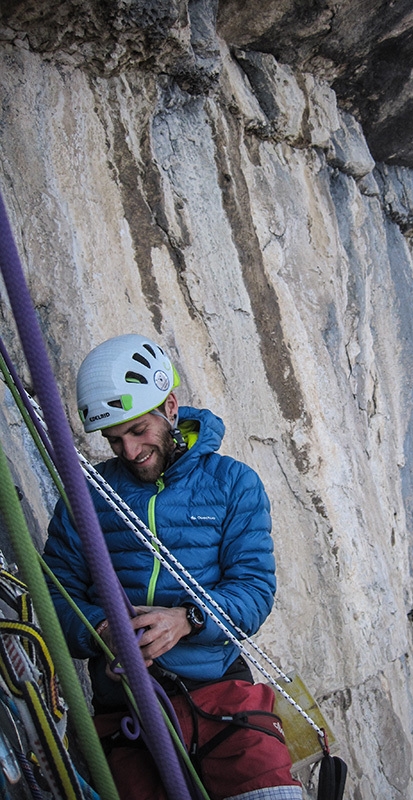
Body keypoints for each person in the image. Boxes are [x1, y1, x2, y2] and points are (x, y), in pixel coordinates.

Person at [43, 333, 302, 800]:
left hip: (220, 695)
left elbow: (254, 590)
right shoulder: (86, 497)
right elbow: (52, 595)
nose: (129, 451)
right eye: (114, 439)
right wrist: (100, 630)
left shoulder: (232, 484)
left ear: (171, 407)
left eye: (139, 430)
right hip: (127, 713)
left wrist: (186, 619)